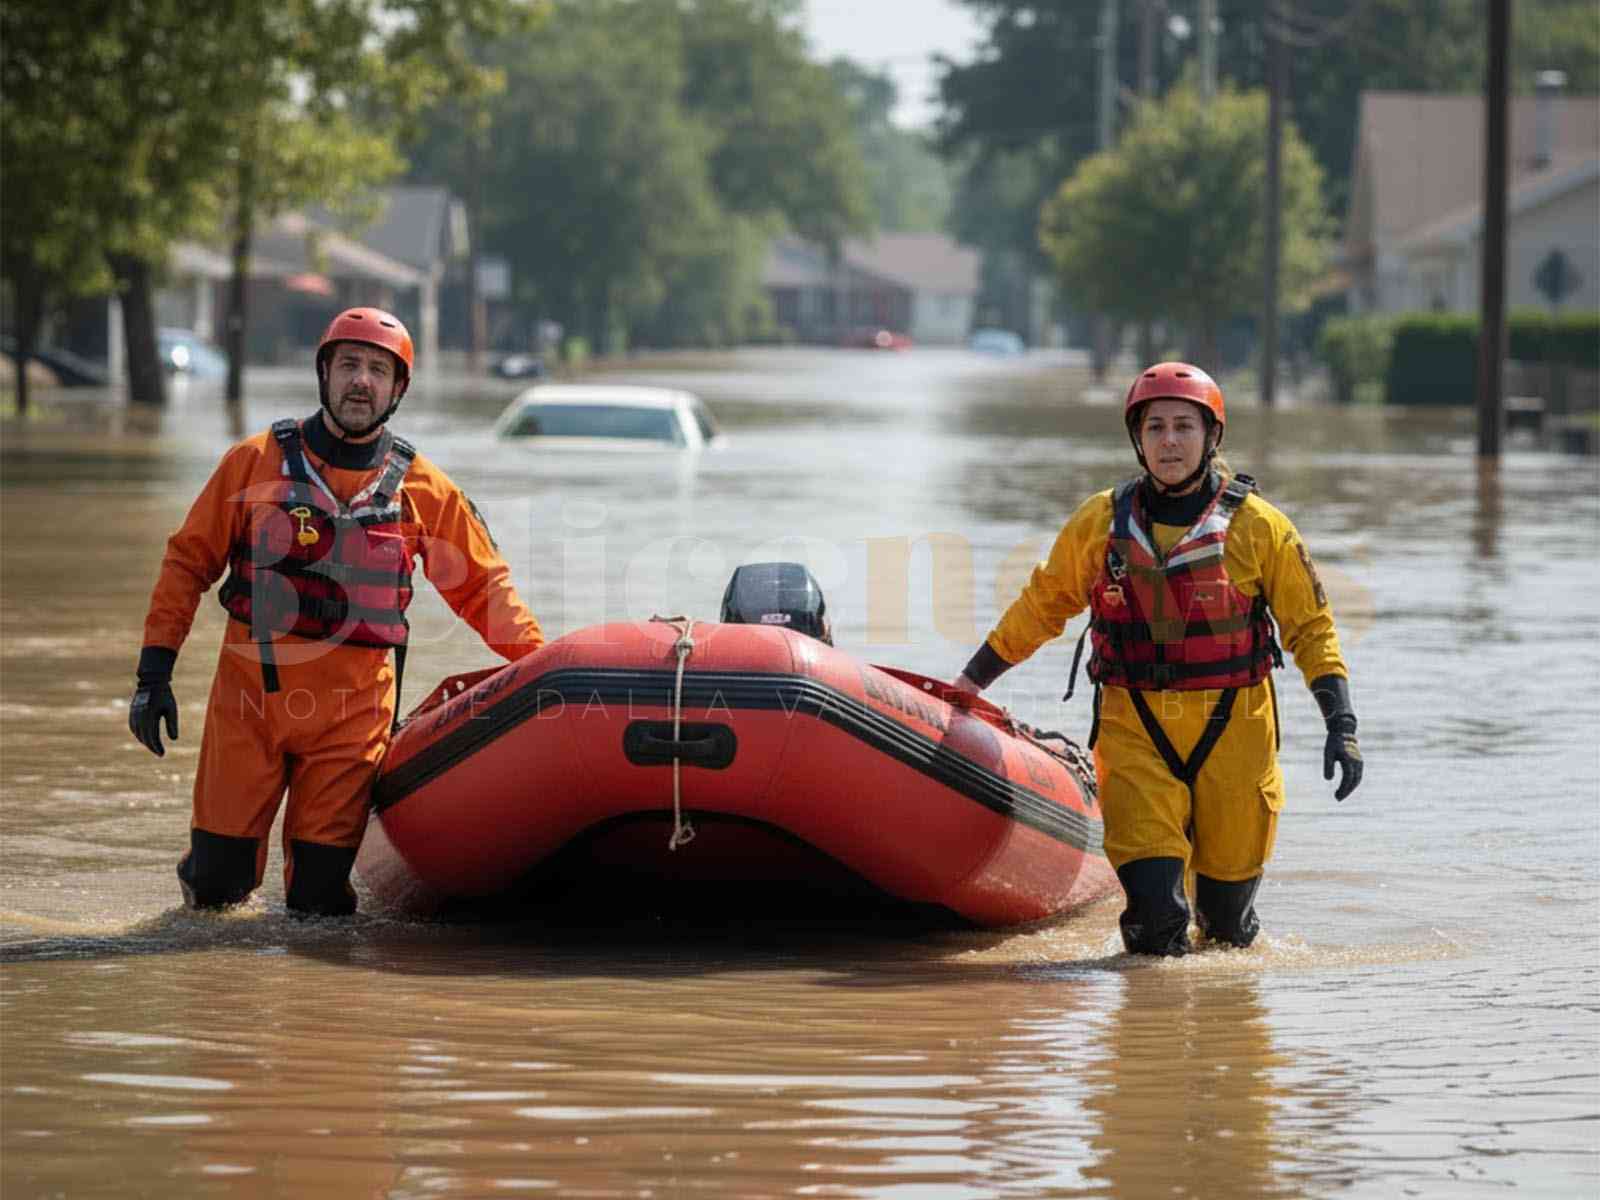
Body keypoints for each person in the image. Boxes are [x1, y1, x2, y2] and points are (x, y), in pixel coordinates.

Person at [128, 307, 546, 916]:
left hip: (353, 719)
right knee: (217, 888)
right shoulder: (252, 462)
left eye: (378, 370)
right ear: (324, 373)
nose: (361, 381)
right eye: (349, 364)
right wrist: (153, 674)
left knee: (318, 903)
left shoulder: (427, 490)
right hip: (251, 708)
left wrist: (543, 668)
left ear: (397, 389)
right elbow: (186, 564)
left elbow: (485, 591)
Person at [953, 362, 1363, 955]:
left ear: (1211, 436)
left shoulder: (1260, 527)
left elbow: (1312, 629)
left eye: (1184, 427)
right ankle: (1149, 1013)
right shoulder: (1100, 522)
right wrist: (971, 681)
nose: (1170, 441)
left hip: (1235, 735)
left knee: (1226, 932)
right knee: (1154, 924)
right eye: (1155, 427)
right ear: (1138, 439)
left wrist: (1340, 725)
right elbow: (1042, 606)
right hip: (1135, 732)